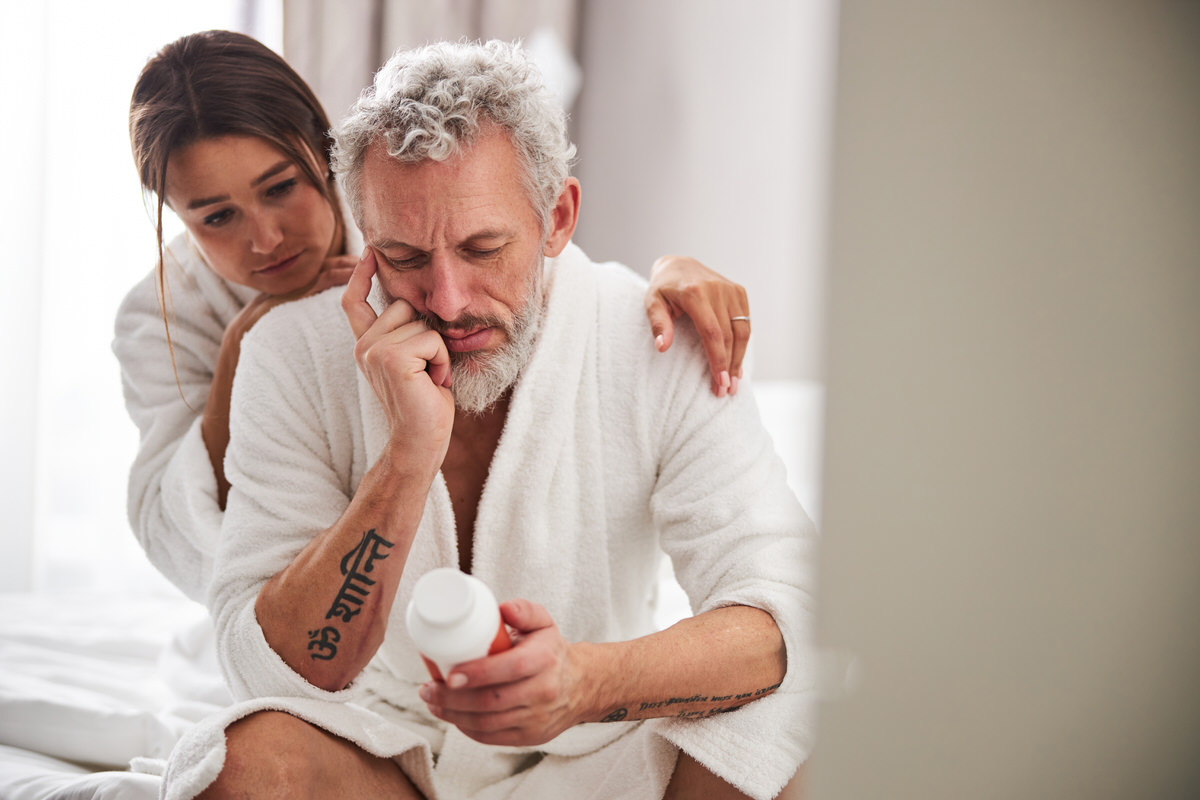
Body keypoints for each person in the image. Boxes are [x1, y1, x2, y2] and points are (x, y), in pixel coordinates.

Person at [162, 39, 814, 800]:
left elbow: (789, 606)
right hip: (389, 757)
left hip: (603, 752)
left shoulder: (658, 341)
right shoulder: (289, 354)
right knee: (238, 766)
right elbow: (269, 665)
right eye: (403, 255)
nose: (447, 298)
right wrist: (406, 456)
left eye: (483, 248)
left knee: (800, 737)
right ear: (365, 240)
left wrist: (585, 681)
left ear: (558, 217)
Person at [112, 30, 753, 605]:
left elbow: (533, 260)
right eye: (216, 217)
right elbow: (187, 538)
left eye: (281, 187)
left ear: (321, 148)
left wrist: (665, 271)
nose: (266, 239)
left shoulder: (401, 206)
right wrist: (241, 349)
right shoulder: (160, 319)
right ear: (177, 217)